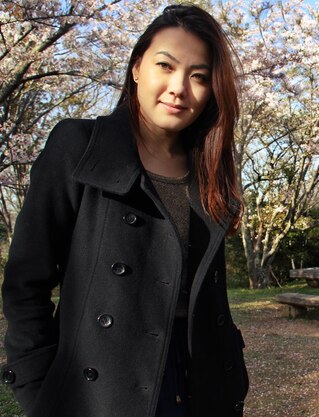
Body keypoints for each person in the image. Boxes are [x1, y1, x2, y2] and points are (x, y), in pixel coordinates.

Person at [1, 5, 248, 417]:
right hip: (101, 389)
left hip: (200, 383)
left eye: (199, 76)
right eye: (164, 65)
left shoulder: (208, 172)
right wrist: (39, 389)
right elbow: (26, 283)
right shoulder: (79, 147)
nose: (178, 88)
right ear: (137, 68)